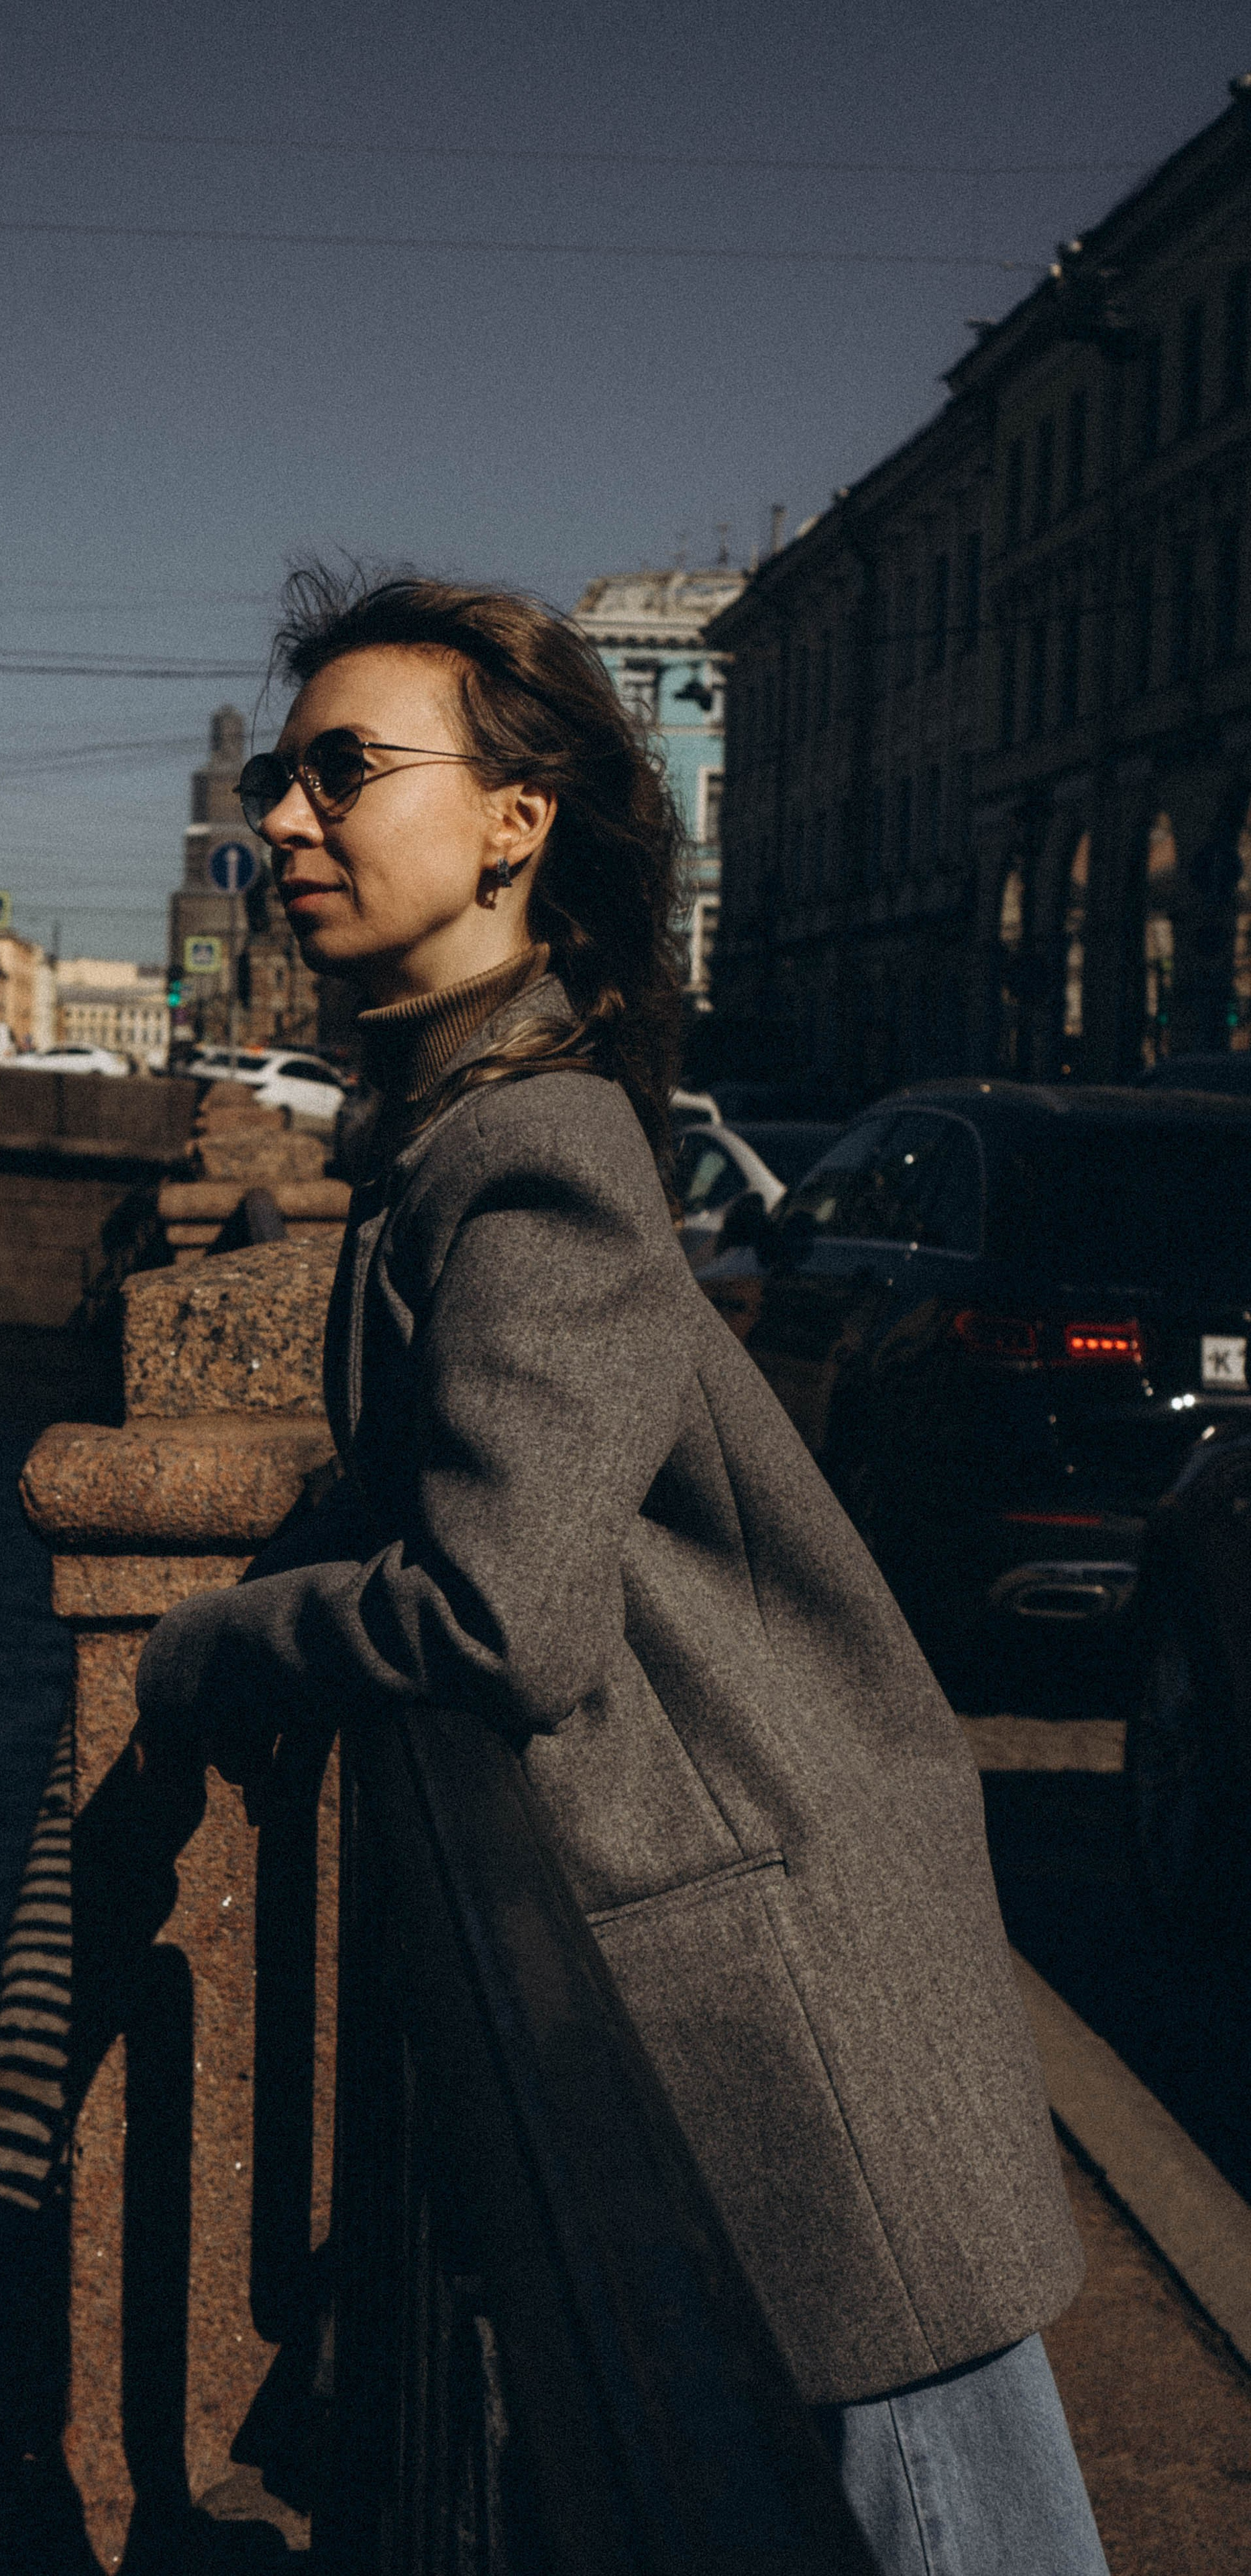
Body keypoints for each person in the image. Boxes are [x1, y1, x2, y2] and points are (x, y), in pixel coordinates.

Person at [131, 568, 1107, 2576]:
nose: (286, 820)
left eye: (345, 771)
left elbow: (501, 1611)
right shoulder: (468, 1130)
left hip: (776, 1977)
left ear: (515, 821)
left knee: (955, 2520)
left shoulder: (534, 1150)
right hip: (734, 1951)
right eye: (283, 779)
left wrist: (220, 1646)